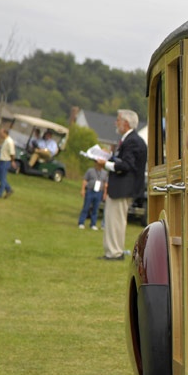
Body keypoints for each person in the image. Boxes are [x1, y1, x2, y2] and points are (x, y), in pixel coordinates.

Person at [100, 109, 146, 261]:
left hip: (123, 187)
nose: (116, 122)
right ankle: (111, 251)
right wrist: (110, 157)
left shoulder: (132, 141)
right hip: (121, 186)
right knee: (112, 219)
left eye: (118, 120)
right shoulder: (129, 140)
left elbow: (126, 165)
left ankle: (115, 252)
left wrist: (105, 164)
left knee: (116, 221)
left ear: (126, 123)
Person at [78, 156, 108, 230]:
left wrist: (104, 193)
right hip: (90, 190)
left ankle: (93, 224)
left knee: (96, 208)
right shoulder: (90, 171)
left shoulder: (105, 173)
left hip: (99, 192)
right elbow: (85, 180)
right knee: (86, 207)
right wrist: (83, 190)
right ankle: (81, 222)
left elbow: (105, 184)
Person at [0, 128, 15, 198]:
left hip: (5, 161)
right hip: (1, 160)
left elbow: (12, 153)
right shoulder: (5, 141)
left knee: (2, 177)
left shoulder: (10, 141)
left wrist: (12, 161)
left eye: (1, 133)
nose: (0, 134)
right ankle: (9, 189)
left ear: (5, 133)